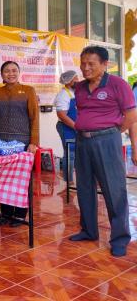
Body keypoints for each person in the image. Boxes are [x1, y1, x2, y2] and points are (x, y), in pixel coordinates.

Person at [68, 46, 137, 257]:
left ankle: (120, 239)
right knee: (85, 187)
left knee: (114, 189)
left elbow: (131, 114)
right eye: (83, 63)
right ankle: (89, 230)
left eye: (91, 64)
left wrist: (115, 131)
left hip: (107, 140)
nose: (85, 68)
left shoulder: (118, 84)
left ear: (105, 64)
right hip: (83, 141)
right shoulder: (79, 87)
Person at [0, 61, 39, 227]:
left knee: (22, 179)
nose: (11, 74)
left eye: (14, 70)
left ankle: (20, 214)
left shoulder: (28, 91)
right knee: (3, 179)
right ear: (1, 74)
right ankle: (7, 213)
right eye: (7, 71)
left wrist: (33, 142)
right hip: (0, 143)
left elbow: (34, 118)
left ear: (19, 72)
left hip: (22, 143)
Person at [54, 70, 78, 182]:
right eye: (75, 79)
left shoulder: (74, 93)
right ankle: (69, 181)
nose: (78, 81)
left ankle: (77, 179)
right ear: (68, 81)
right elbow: (62, 115)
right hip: (66, 127)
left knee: (77, 152)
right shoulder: (63, 95)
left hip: (76, 127)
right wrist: (76, 127)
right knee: (70, 153)